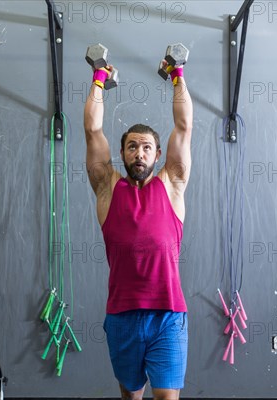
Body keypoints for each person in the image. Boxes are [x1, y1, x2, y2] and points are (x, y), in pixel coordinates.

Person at [84, 56, 193, 400]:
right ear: (122, 152)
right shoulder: (107, 188)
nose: (139, 154)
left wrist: (178, 76)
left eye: (146, 148)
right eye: (133, 147)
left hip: (168, 316)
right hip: (122, 316)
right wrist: (99, 78)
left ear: (158, 154)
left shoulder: (172, 184)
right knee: (131, 397)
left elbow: (185, 126)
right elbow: (91, 130)